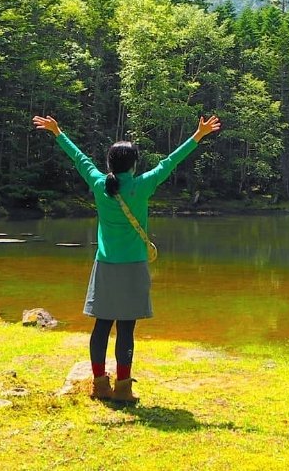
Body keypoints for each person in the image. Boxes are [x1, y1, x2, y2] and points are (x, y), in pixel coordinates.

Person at [32, 113, 221, 402]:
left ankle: (99, 384)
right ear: (133, 165)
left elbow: (80, 159)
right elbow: (169, 162)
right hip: (133, 267)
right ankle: (123, 388)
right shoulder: (141, 185)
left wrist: (58, 132)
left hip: (106, 267)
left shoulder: (99, 184)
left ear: (109, 164)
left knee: (101, 327)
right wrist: (198, 135)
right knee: (126, 330)